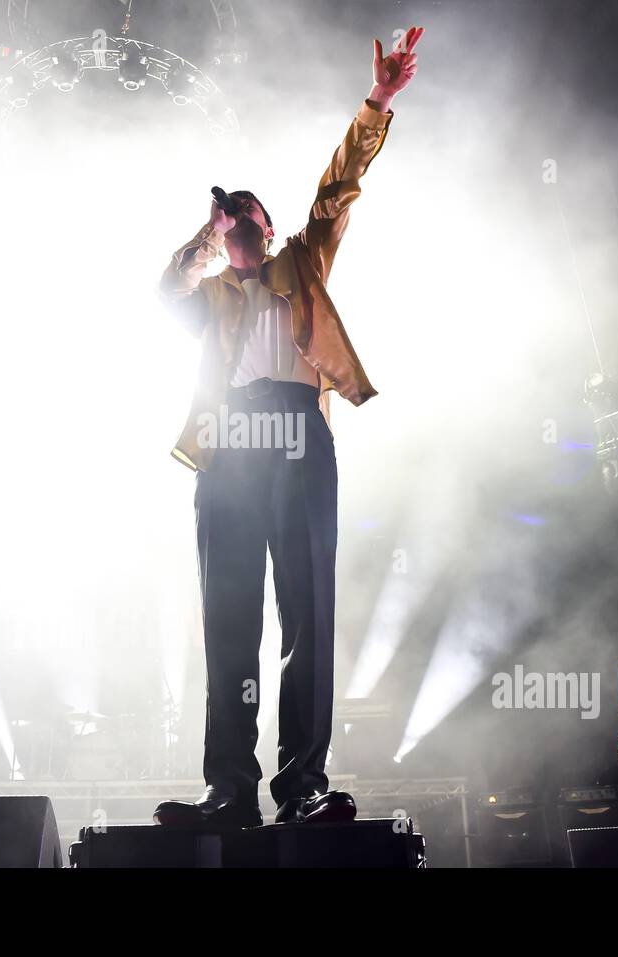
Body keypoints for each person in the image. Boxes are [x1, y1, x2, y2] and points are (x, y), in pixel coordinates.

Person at [152, 28, 424, 828]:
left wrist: (377, 101)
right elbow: (166, 292)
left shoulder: (301, 260)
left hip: (299, 434)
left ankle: (302, 781)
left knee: (306, 613)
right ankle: (229, 786)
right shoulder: (214, 291)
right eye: (223, 215)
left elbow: (339, 185)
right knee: (229, 619)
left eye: (244, 212)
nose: (233, 218)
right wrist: (204, 236)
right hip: (230, 444)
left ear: (267, 229)